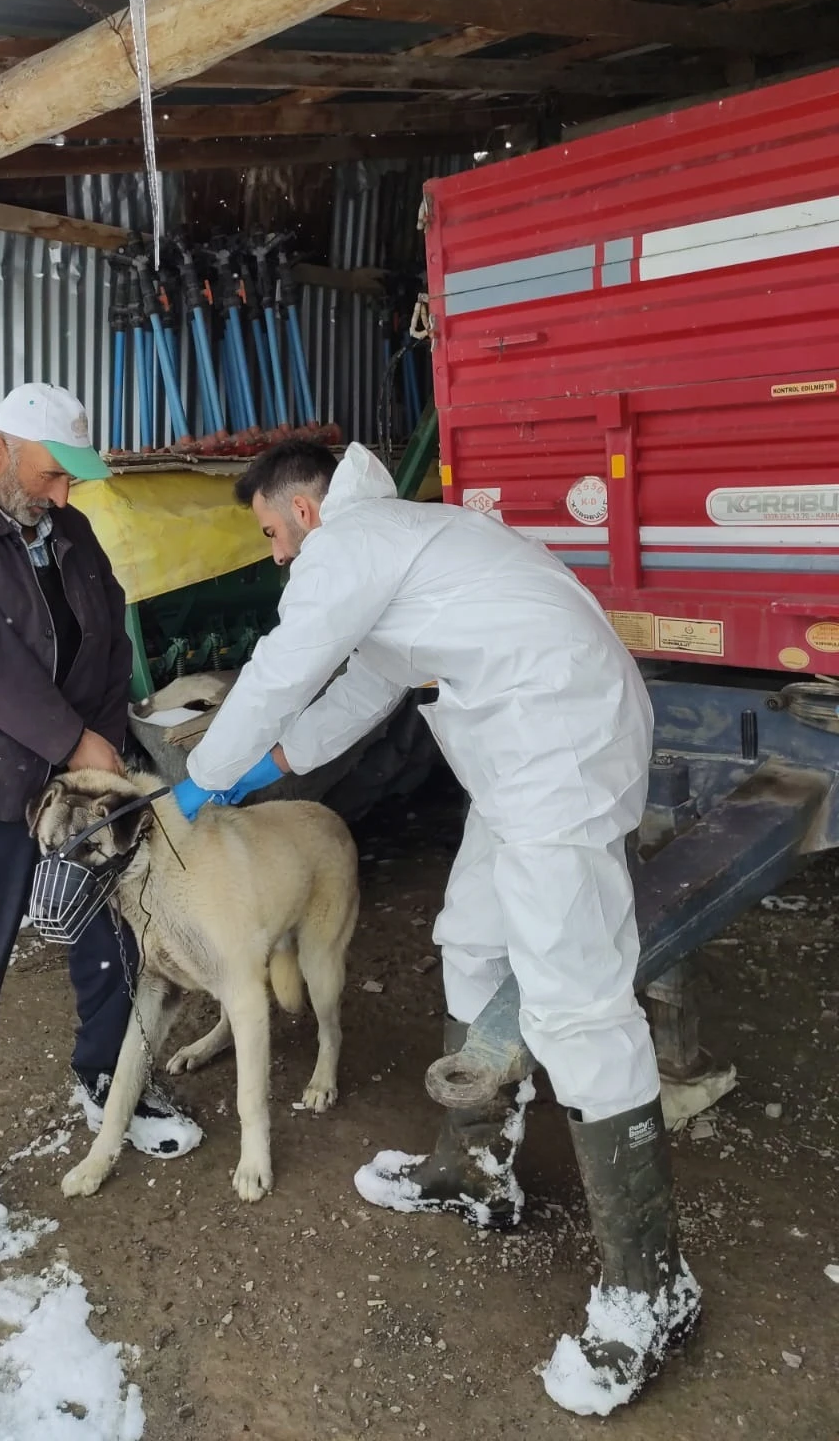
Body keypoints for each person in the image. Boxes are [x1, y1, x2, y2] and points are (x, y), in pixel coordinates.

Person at [172, 438, 700, 1416]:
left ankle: (651, 1283)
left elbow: (286, 662)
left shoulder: (354, 541)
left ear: (307, 510)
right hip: (531, 754)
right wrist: (267, 759)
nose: (278, 555)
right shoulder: (405, 547)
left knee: (577, 999)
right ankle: (476, 1167)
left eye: (272, 533)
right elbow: (367, 689)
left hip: (560, 753)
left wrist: (200, 777)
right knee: (468, 933)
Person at [0, 382, 199, 1262]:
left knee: (114, 940)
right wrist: (74, 742)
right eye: (54, 477)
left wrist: (98, 755)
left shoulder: (70, 531)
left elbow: (104, 641)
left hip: (74, 781)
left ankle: (109, 1080)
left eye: (72, 482)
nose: (65, 496)